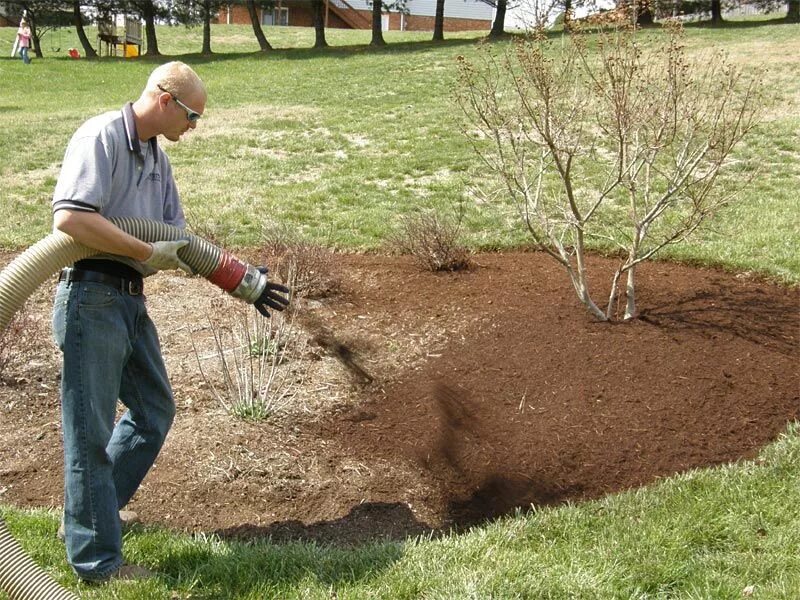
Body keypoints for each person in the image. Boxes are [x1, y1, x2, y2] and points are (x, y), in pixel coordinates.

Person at [50, 61, 287, 584]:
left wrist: (246, 282)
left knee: (154, 410)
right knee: (91, 432)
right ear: (164, 99)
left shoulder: (157, 161)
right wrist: (140, 248)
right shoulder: (102, 136)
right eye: (193, 114)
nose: (195, 126)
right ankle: (97, 564)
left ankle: (93, 517)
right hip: (91, 295)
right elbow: (69, 217)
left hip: (129, 300)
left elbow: (180, 245)